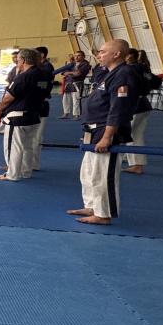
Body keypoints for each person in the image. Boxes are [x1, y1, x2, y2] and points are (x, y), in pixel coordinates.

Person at [67, 39, 137, 226]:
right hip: (93, 130)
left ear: (117, 54)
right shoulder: (110, 73)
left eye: (103, 51)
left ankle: (103, 214)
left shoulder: (123, 74)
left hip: (106, 131)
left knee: (103, 174)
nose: (99, 55)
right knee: (89, 172)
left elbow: (118, 108)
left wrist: (107, 137)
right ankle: (91, 206)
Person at [0, 49, 44, 181]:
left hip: (18, 116)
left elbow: (9, 97)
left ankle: (12, 174)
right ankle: (25, 171)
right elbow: (44, 92)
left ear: (23, 60)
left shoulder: (24, 76)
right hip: (34, 115)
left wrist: (0, 107)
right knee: (27, 146)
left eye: (18, 60)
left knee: (13, 146)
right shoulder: (43, 75)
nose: (17, 62)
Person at [124, 50, 162, 175]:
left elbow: (131, 87)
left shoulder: (130, 69)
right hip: (143, 104)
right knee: (136, 134)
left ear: (129, 56)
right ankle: (130, 157)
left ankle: (136, 164)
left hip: (134, 105)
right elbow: (156, 82)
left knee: (131, 134)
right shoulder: (142, 68)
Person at [60, 51, 91, 119]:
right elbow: (63, 72)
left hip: (78, 83)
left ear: (83, 56)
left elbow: (77, 74)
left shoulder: (86, 64)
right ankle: (66, 113)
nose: (76, 57)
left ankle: (76, 114)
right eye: (75, 56)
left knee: (76, 99)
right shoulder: (72, 63)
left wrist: (68, 73)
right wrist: (71, 73)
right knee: (65, 98)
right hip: (69, 82)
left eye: (78, 55)